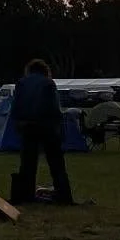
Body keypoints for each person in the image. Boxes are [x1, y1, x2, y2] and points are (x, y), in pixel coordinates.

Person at [10, 59, 74, 205]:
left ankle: (26, 196)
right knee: (56, 163)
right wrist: (59, 127)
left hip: (27, 126)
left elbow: (16, 106)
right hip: (47, 126)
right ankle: (64, 195)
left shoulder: (21, 83)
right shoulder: (48, 83)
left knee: (27, 165)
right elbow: (54, 107)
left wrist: (18, 123)